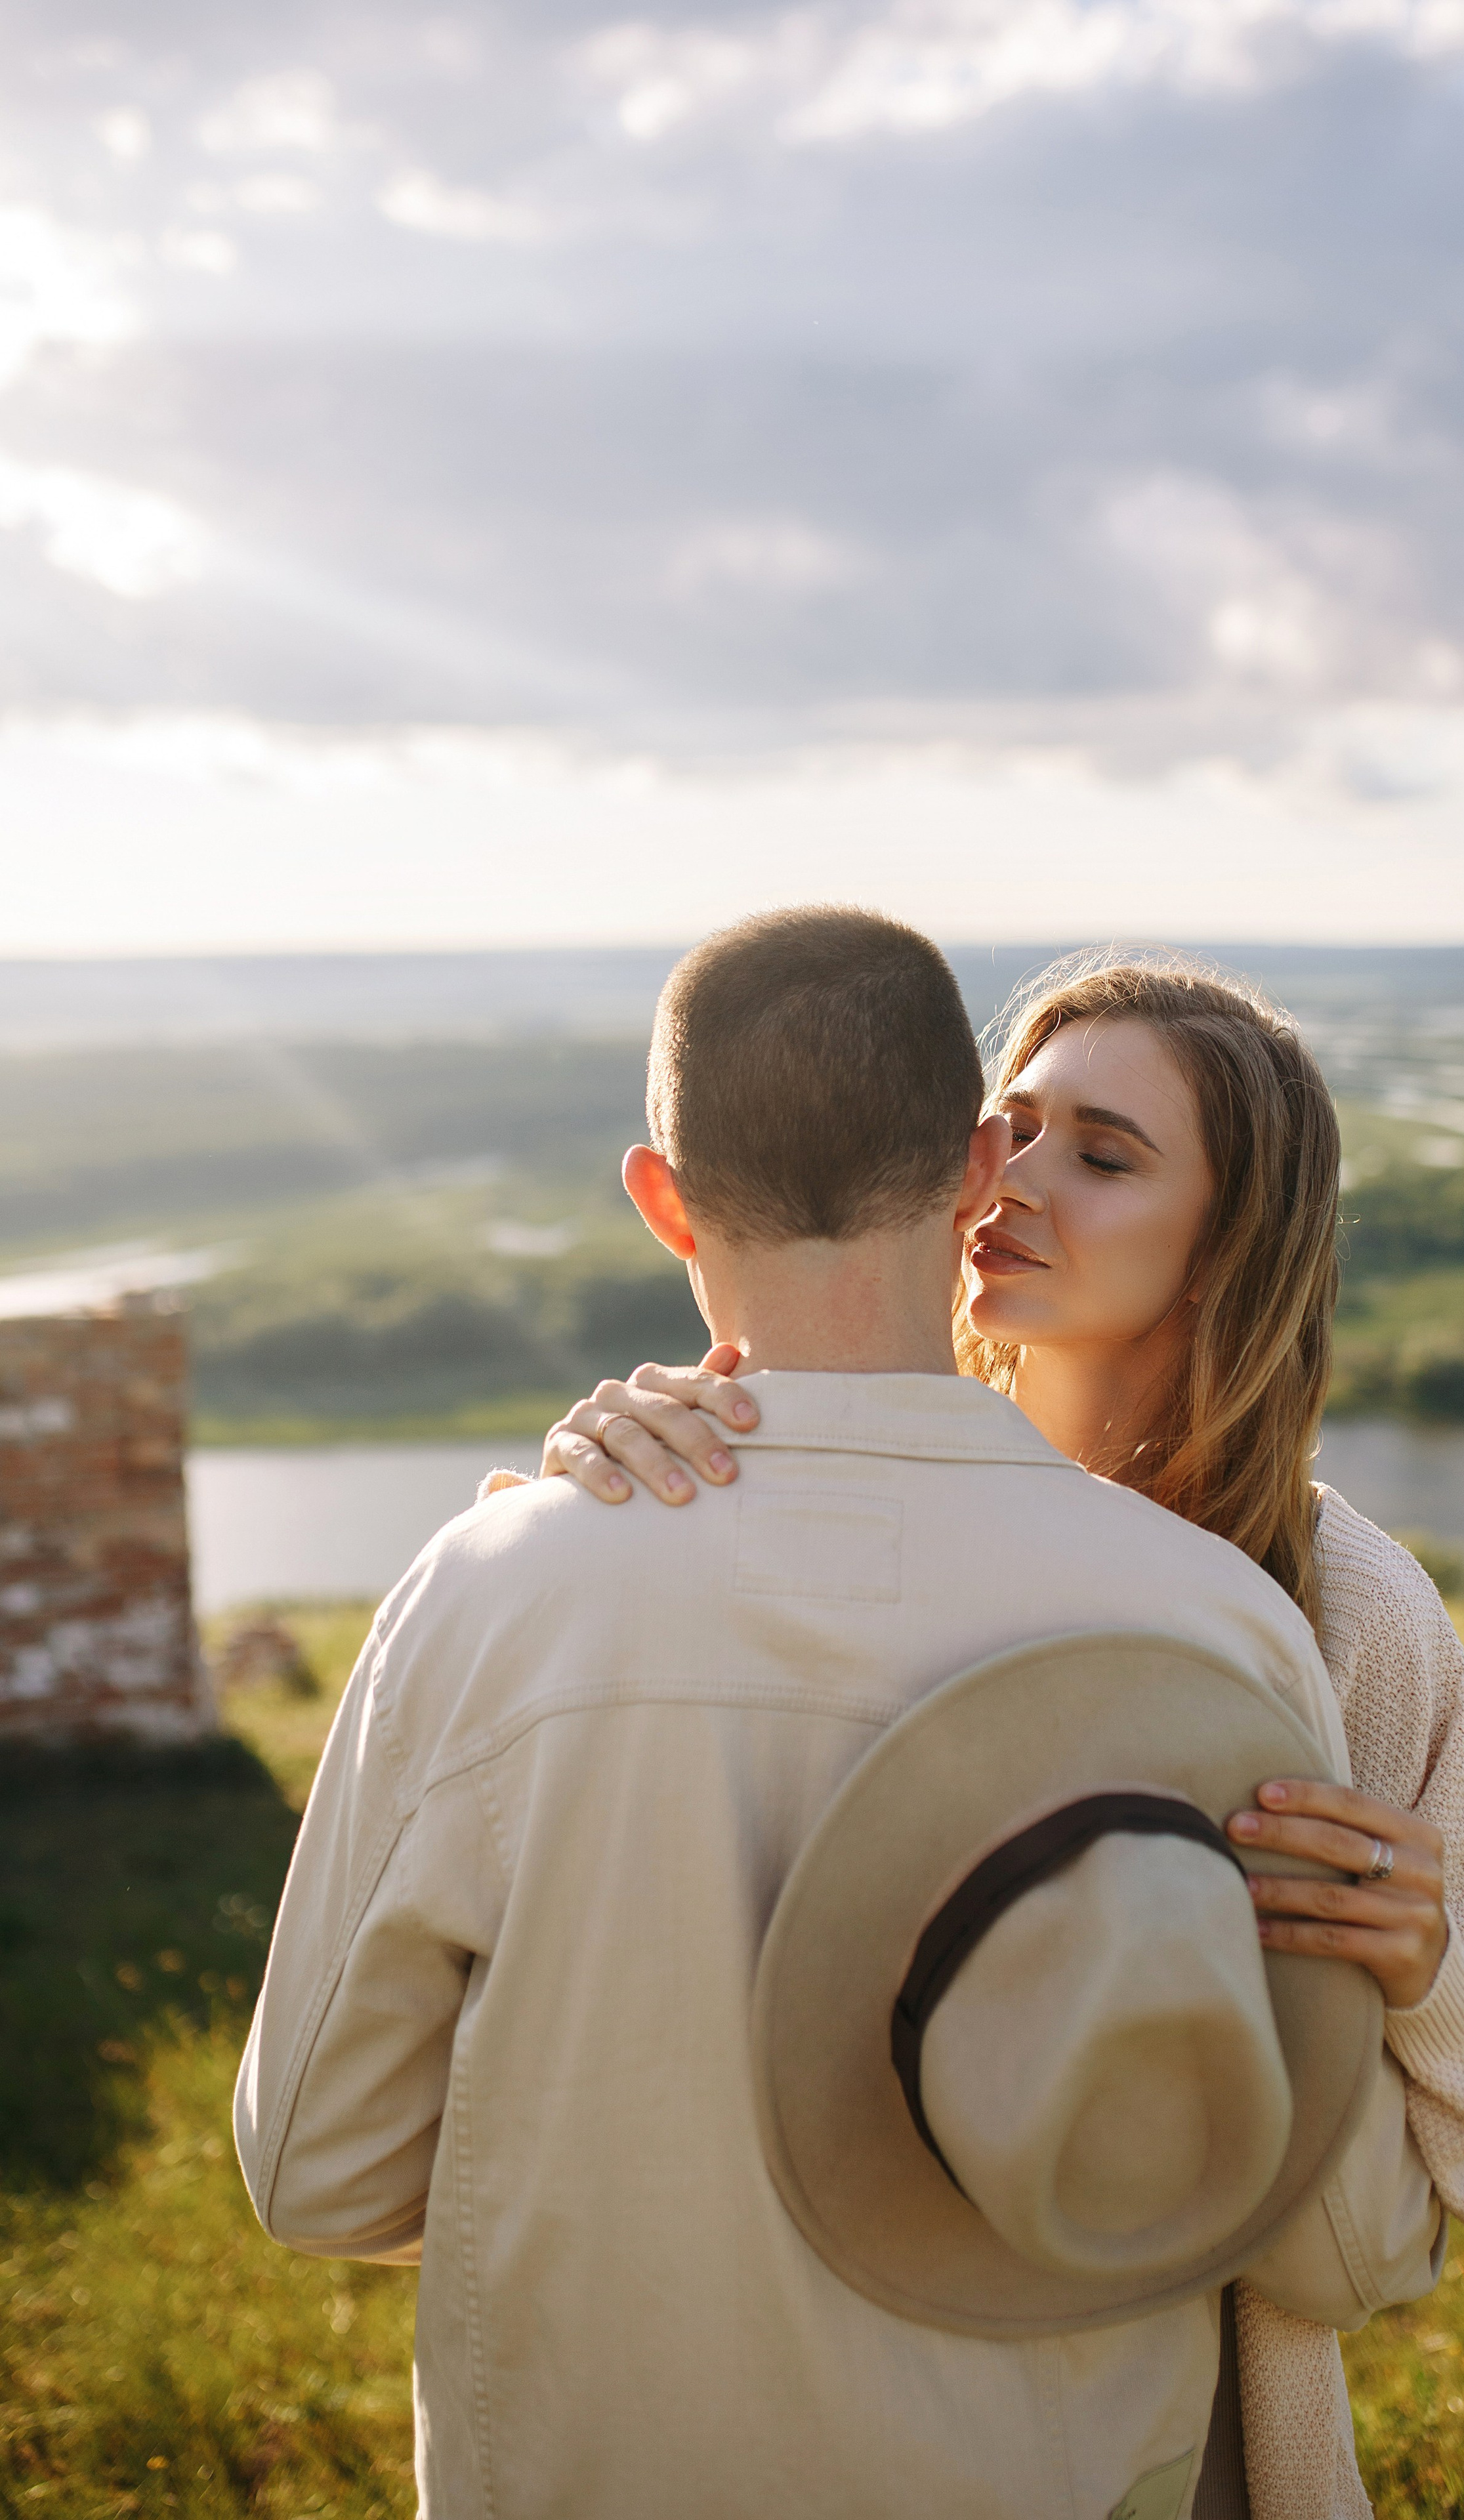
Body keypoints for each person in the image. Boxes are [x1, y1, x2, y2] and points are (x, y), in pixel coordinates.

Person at [234, 911, 1394, 2520]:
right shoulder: (1222, 1627)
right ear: (978, 1167)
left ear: (659, 1198)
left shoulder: (492, 1590)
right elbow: (1309, 2210)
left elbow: (315, 2170)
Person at [533, 952, 1464, 2520]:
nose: (1012, 1181)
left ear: (1226, 1241)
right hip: (823, 2343)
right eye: (1006, 1130)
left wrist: (1424, 1976)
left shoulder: (1347, 1611)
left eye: (1102, 1155)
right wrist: (583, 1501)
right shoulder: (856, 1495)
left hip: (1179, 2400)